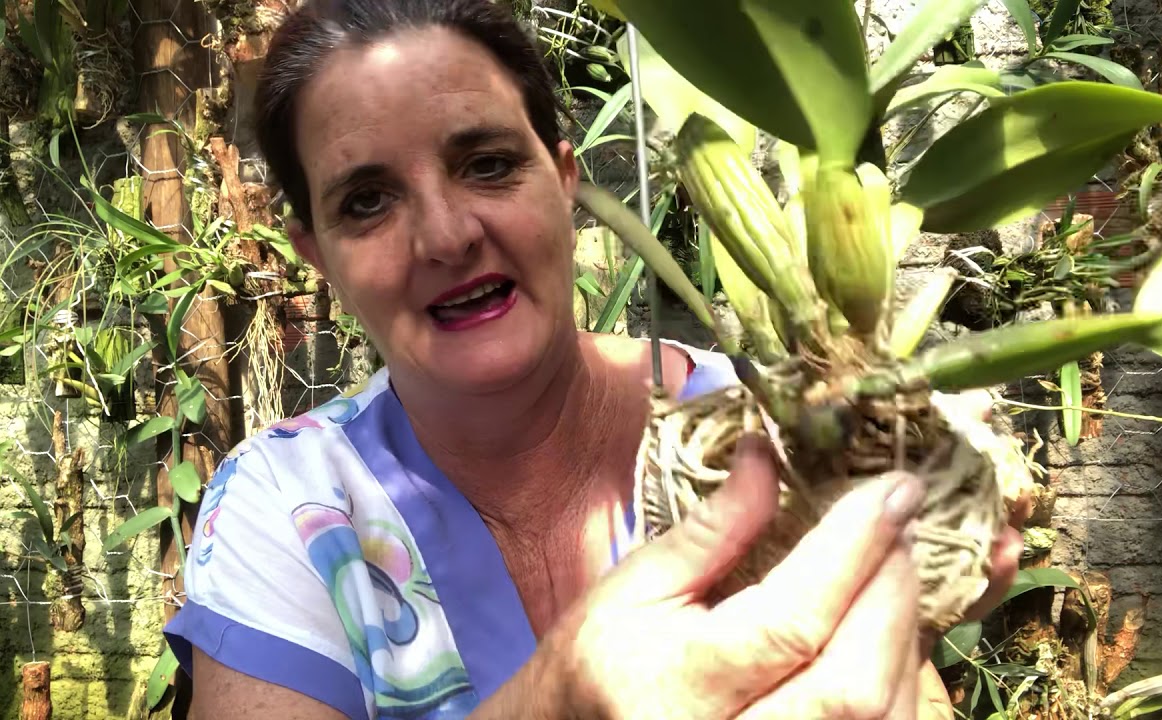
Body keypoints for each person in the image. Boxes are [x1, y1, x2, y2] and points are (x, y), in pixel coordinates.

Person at [161, 0, 1028, 717]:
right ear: (315, 254)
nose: (448, 236)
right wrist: (561, 696)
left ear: (565, 177)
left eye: (489, 164)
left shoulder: (755, 439)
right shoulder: (291, 509)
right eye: (369, 200)